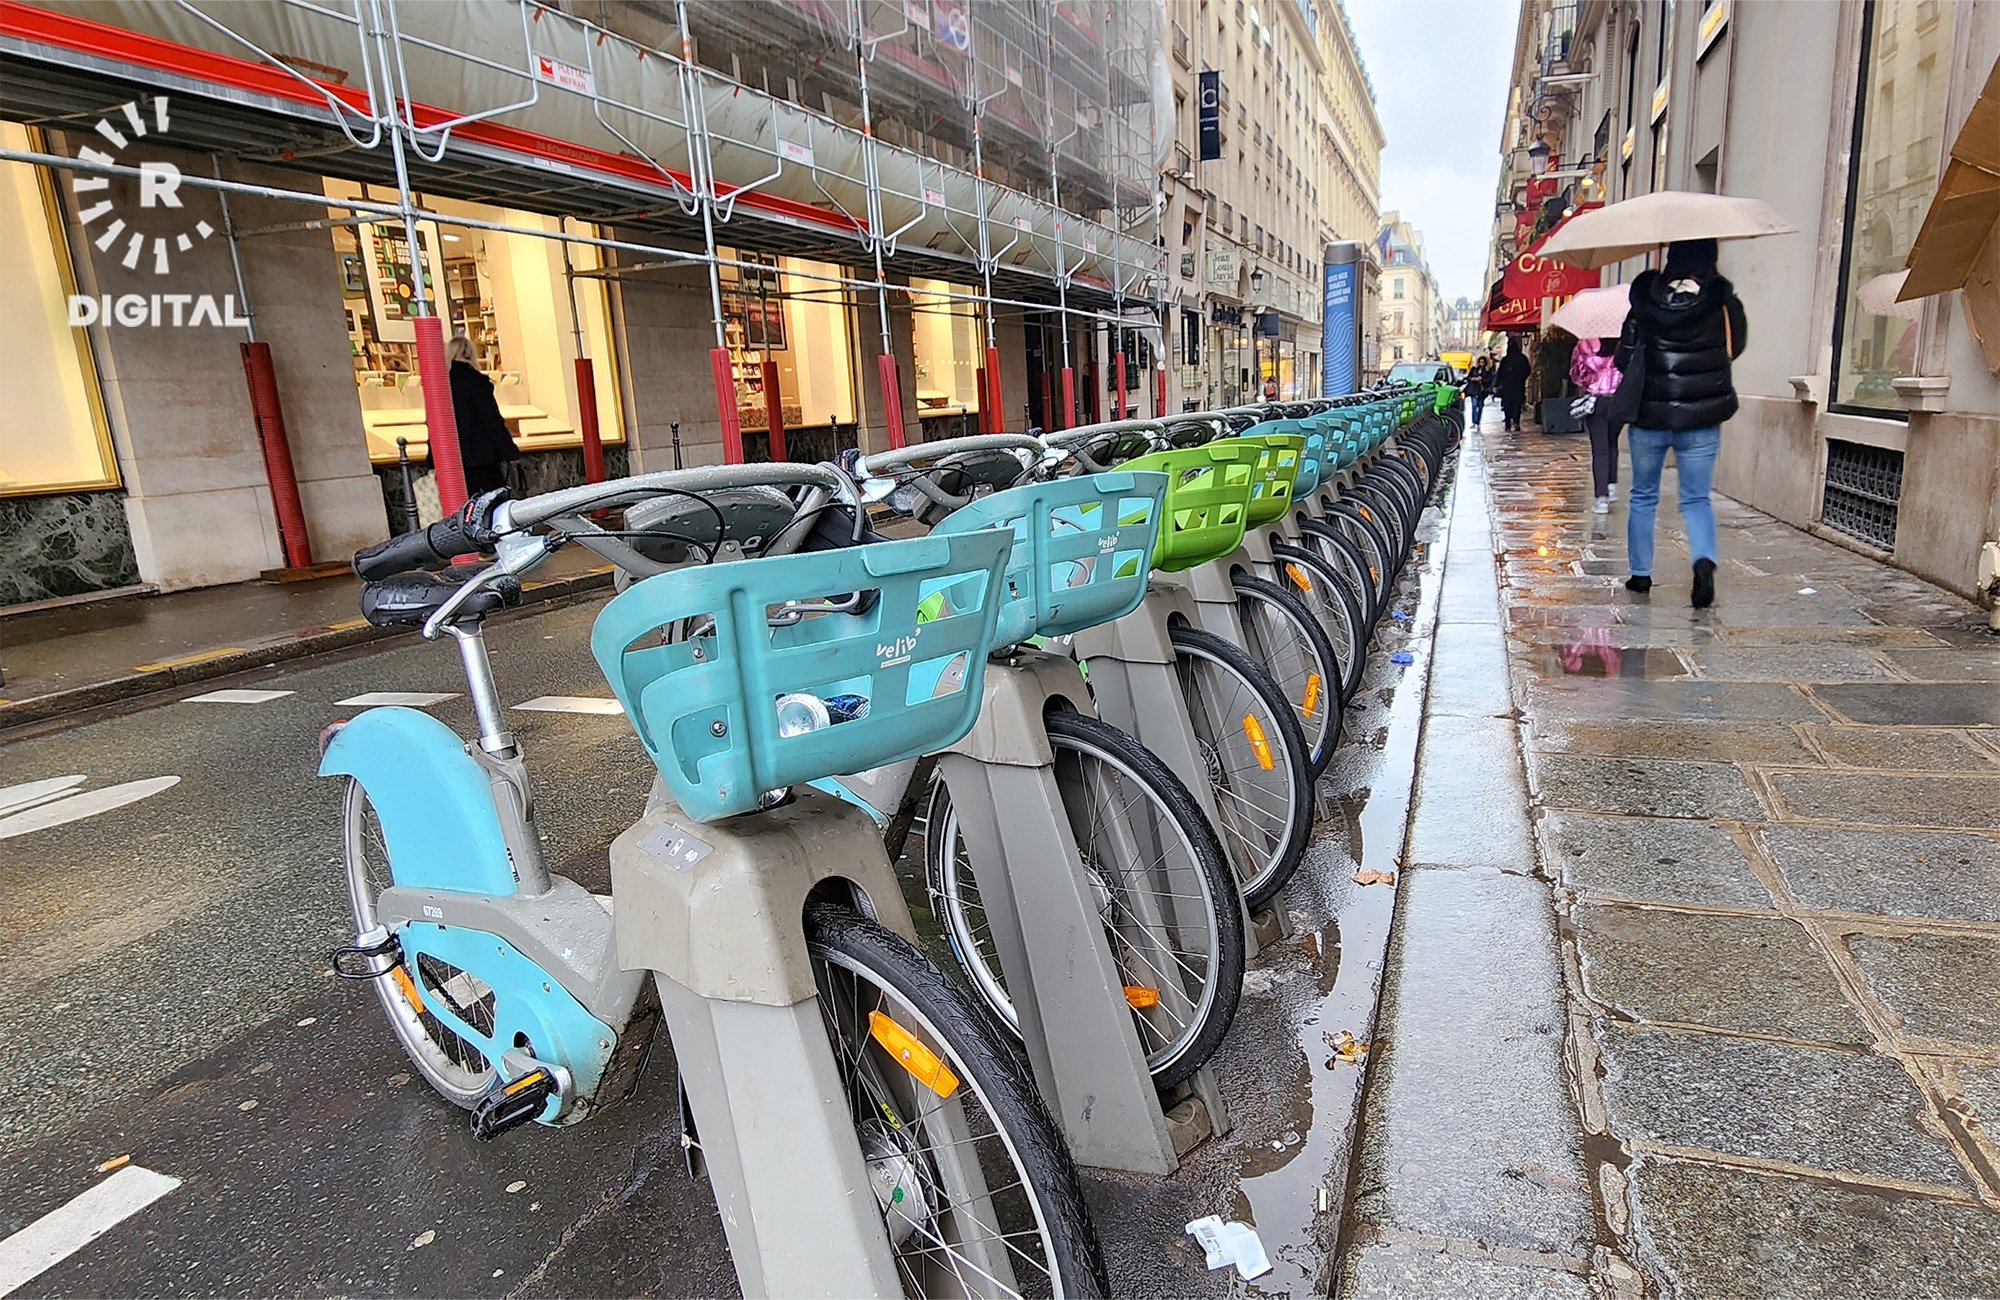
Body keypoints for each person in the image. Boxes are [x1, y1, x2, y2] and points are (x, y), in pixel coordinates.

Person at [1609, 237, 1747, 608]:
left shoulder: (1644, 302)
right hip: (1701, 417)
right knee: (1696, 498)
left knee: (1643, 495)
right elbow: (1736, 347)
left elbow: (1623, 358)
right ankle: (1702, 560)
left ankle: (1640, 574)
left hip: (1649, 416)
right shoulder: (1722, 302)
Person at [446, 334, 519, 496]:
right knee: (496, 500)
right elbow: (492, 420)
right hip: (482, 455)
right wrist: (509, 451)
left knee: (464, 502)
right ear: (470, 354)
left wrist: (432, 459)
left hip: (453, 456)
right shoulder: (478, 382)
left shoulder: (442, 384)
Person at [1569, 336, 1623, 512]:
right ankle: (1611, 486)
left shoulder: (1586, 343)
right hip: (1618, 400)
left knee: (1600, 450)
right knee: (1612, 443)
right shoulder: (1623, 341)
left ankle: (1601, 498)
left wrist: (1589, 380)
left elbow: (1576, 374)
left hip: (1596, 400)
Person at [1494, 337, 1532, 431]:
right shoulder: (1522, 358)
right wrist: (1521, 378)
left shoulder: (1505, 360)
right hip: (1518, 385)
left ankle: (1508, 423)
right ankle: (1515, 422)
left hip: (1507, 386)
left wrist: (1497, 384)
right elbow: (1527, 371)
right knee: (1517, 404)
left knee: (1508, 405)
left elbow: (1500, 373)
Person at [1464, 355, 1493, 425]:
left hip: (1482, 391)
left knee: (1480, 406)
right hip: (1473, 390)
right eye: (1480, 362)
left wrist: (1482, 379)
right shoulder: (1474, 369)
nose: (1481, 364)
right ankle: (1474, 421)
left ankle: (1478, 421)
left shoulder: (1487, 371)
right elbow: (1468, 377)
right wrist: (1473, 379)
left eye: (1483, 362)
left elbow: (1490, 380)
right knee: (1474, 405)